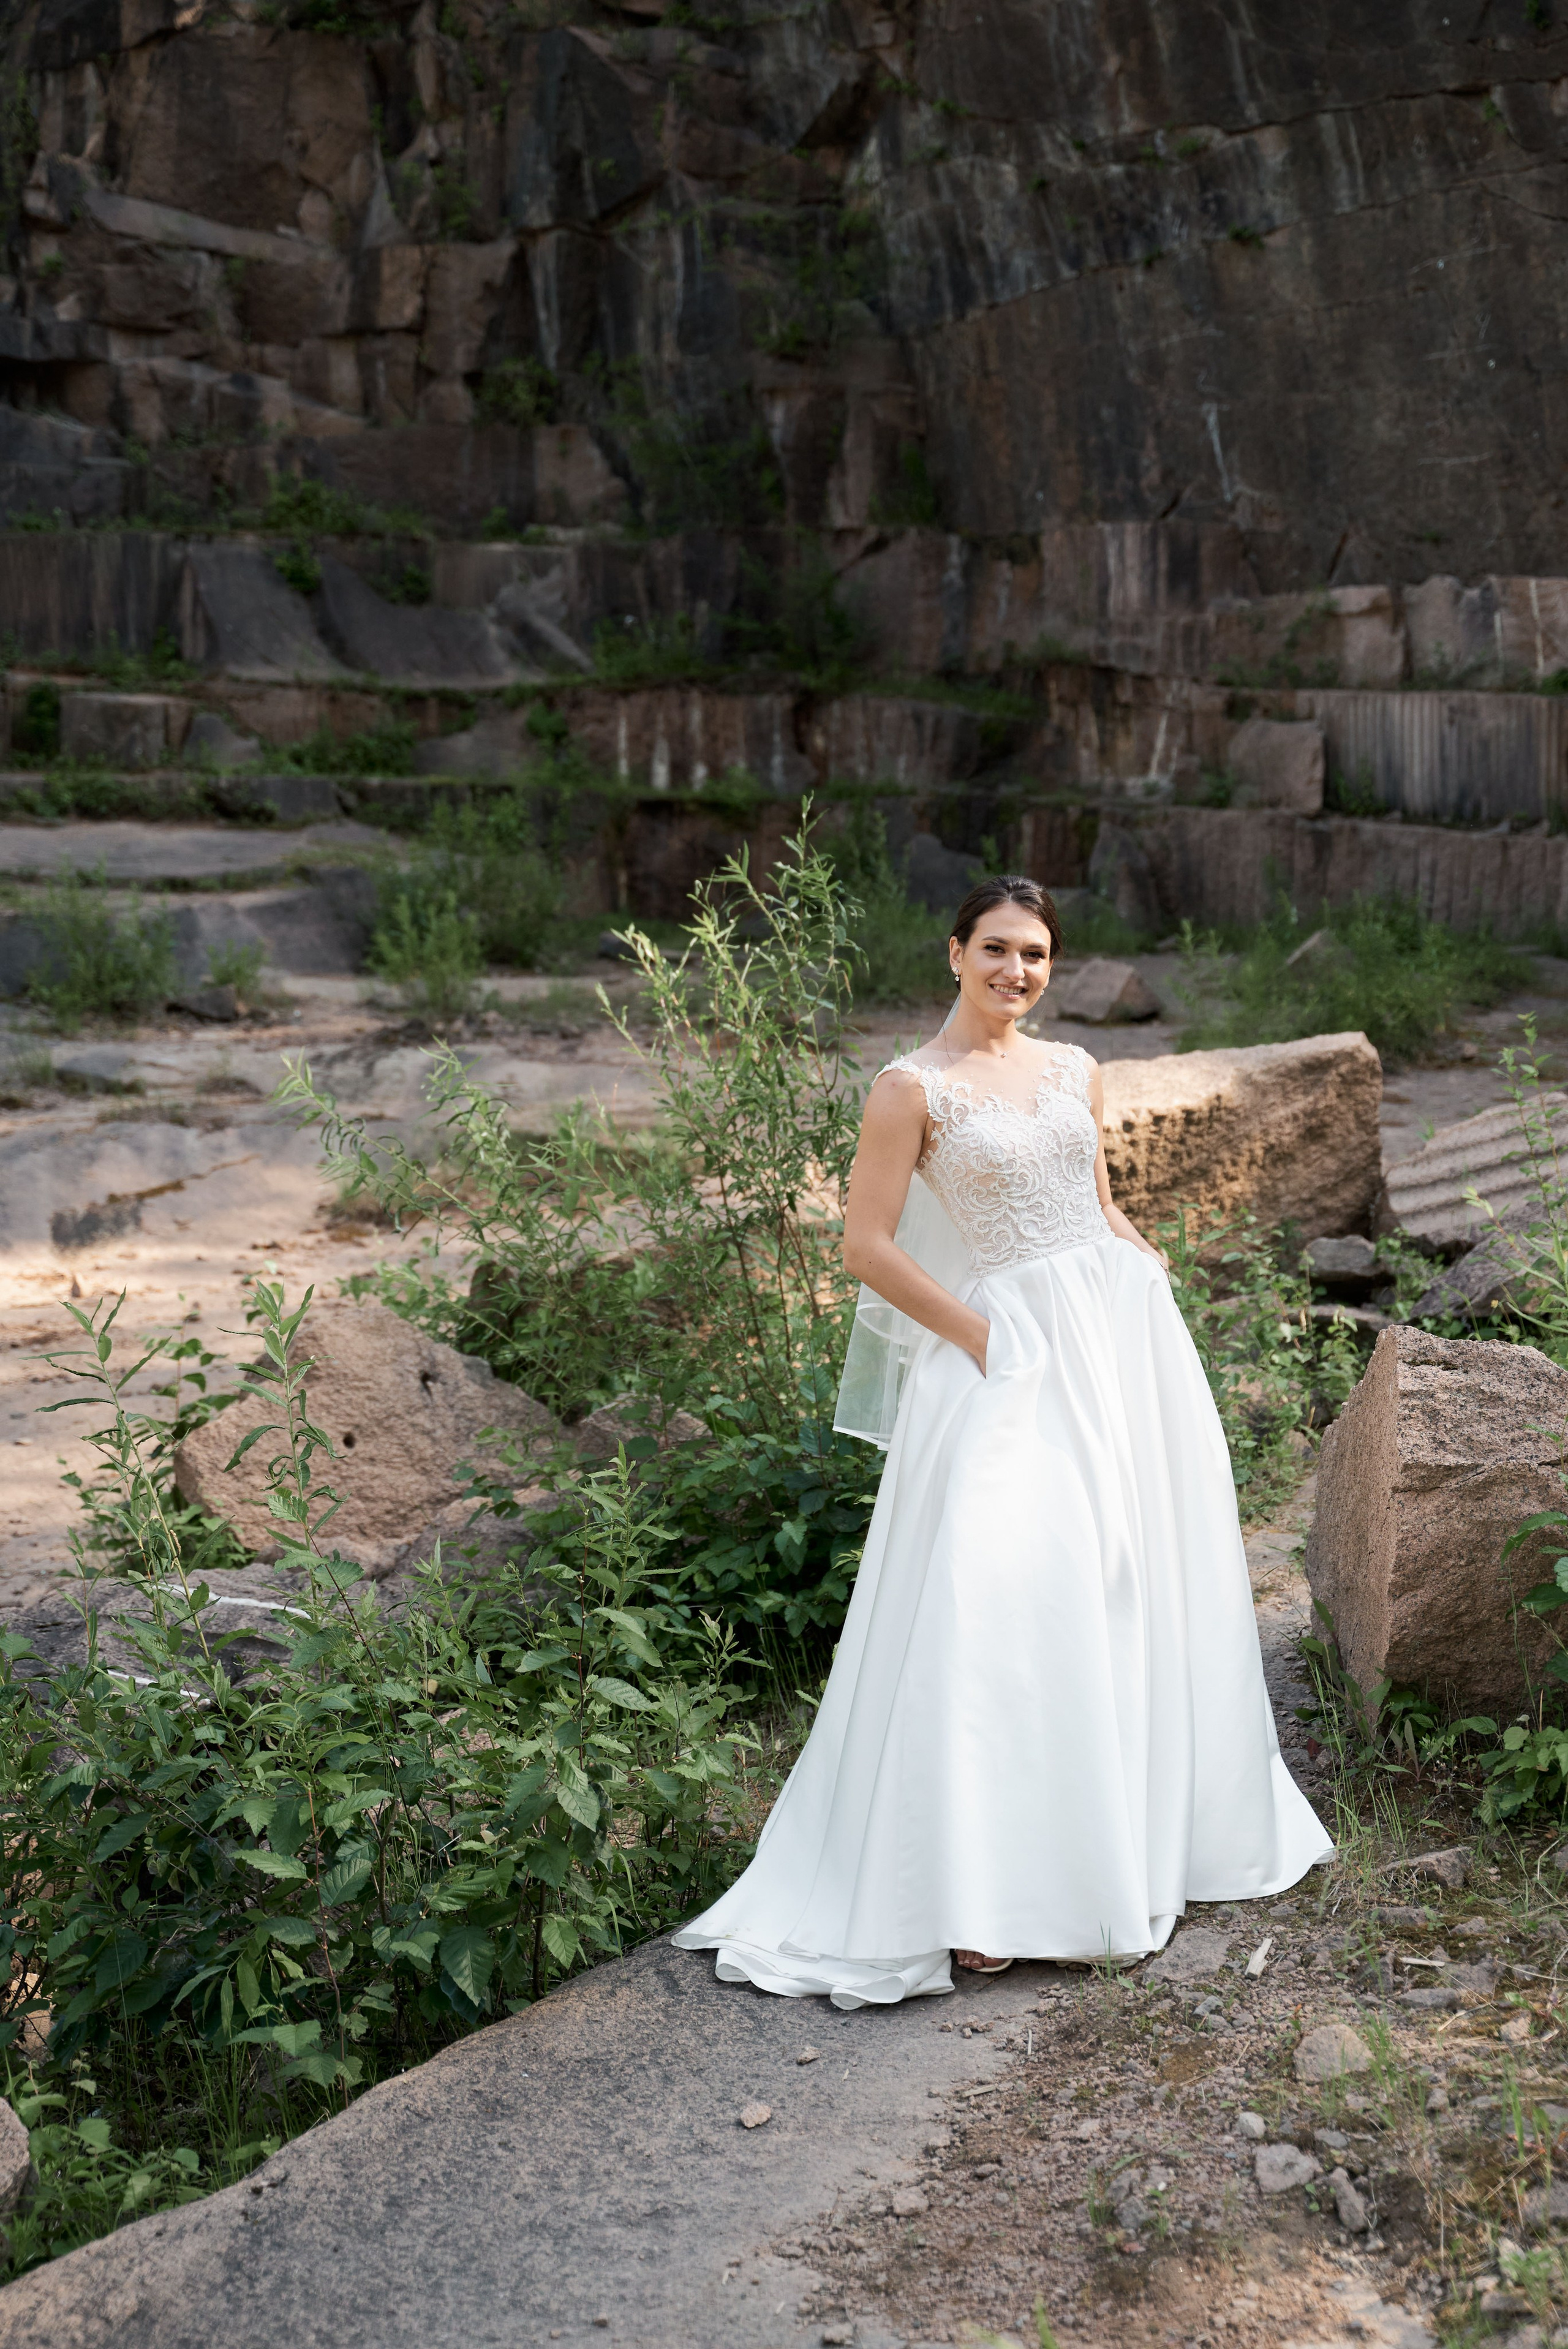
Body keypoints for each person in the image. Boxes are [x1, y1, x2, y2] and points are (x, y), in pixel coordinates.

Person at [672, 875, 1332, 2007]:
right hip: (1002, 1352)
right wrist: (983, 1337)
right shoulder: (909, 1089)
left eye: (1035, 955)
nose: (1016, 972)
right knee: (997, 1592)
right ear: (953, 951)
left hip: (1117, 1342)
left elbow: (1095, 1196)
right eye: (996, 950)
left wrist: (1141, 1262)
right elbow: (867, 1248)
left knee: (1125, 1577)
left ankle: (1132, 1841)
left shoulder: (1077, 1069)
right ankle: (976, 1890)